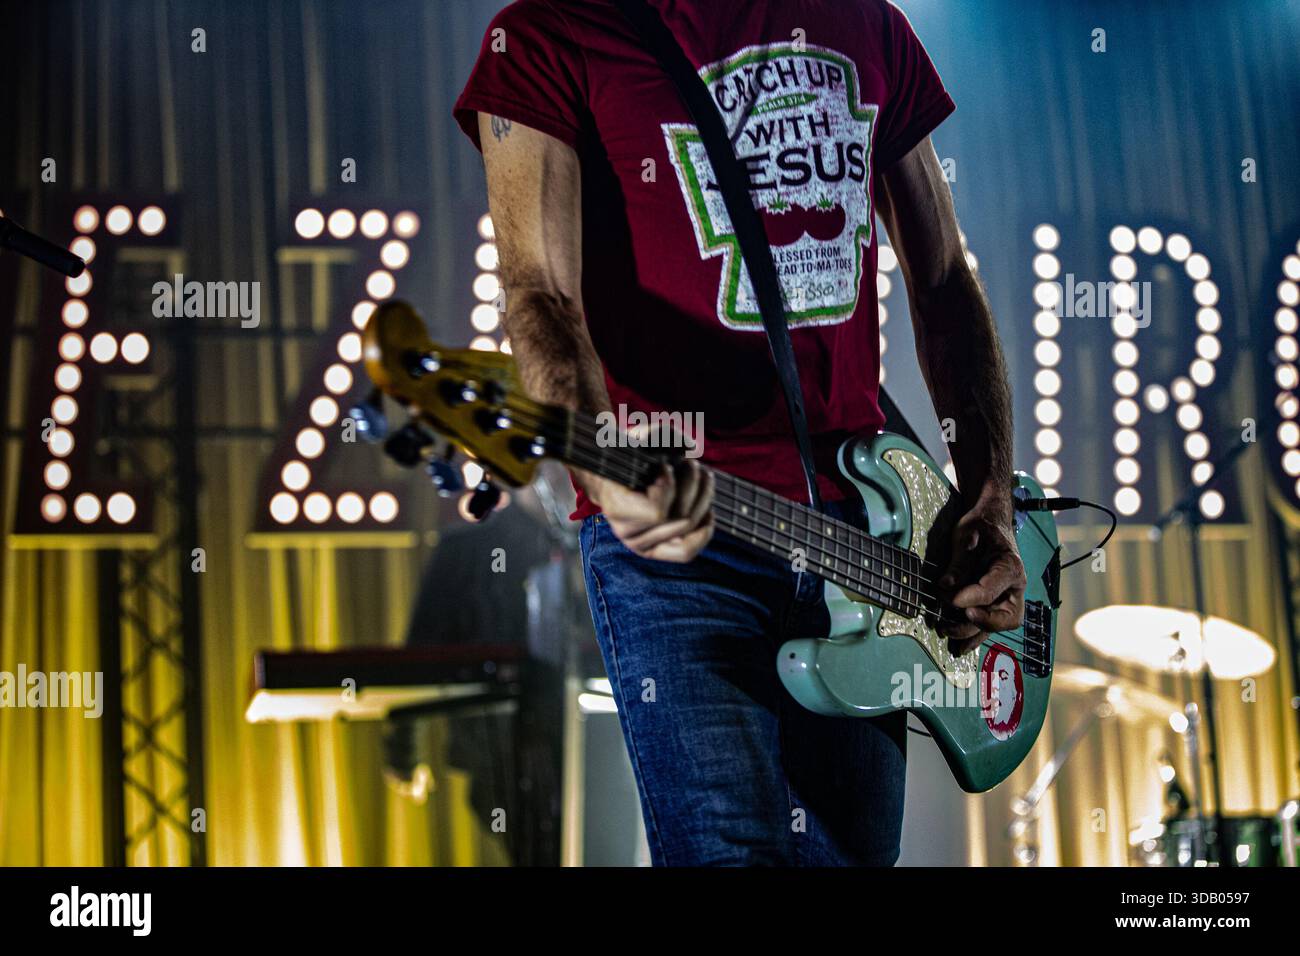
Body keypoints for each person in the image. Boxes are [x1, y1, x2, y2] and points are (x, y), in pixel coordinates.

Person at [453, 0, 1026, 865]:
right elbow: (539, 293)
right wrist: (608, 471)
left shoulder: (868, 23)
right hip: (684, 548)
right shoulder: (545, 33)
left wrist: (989, 496)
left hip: (864, 540)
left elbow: (942, 276)